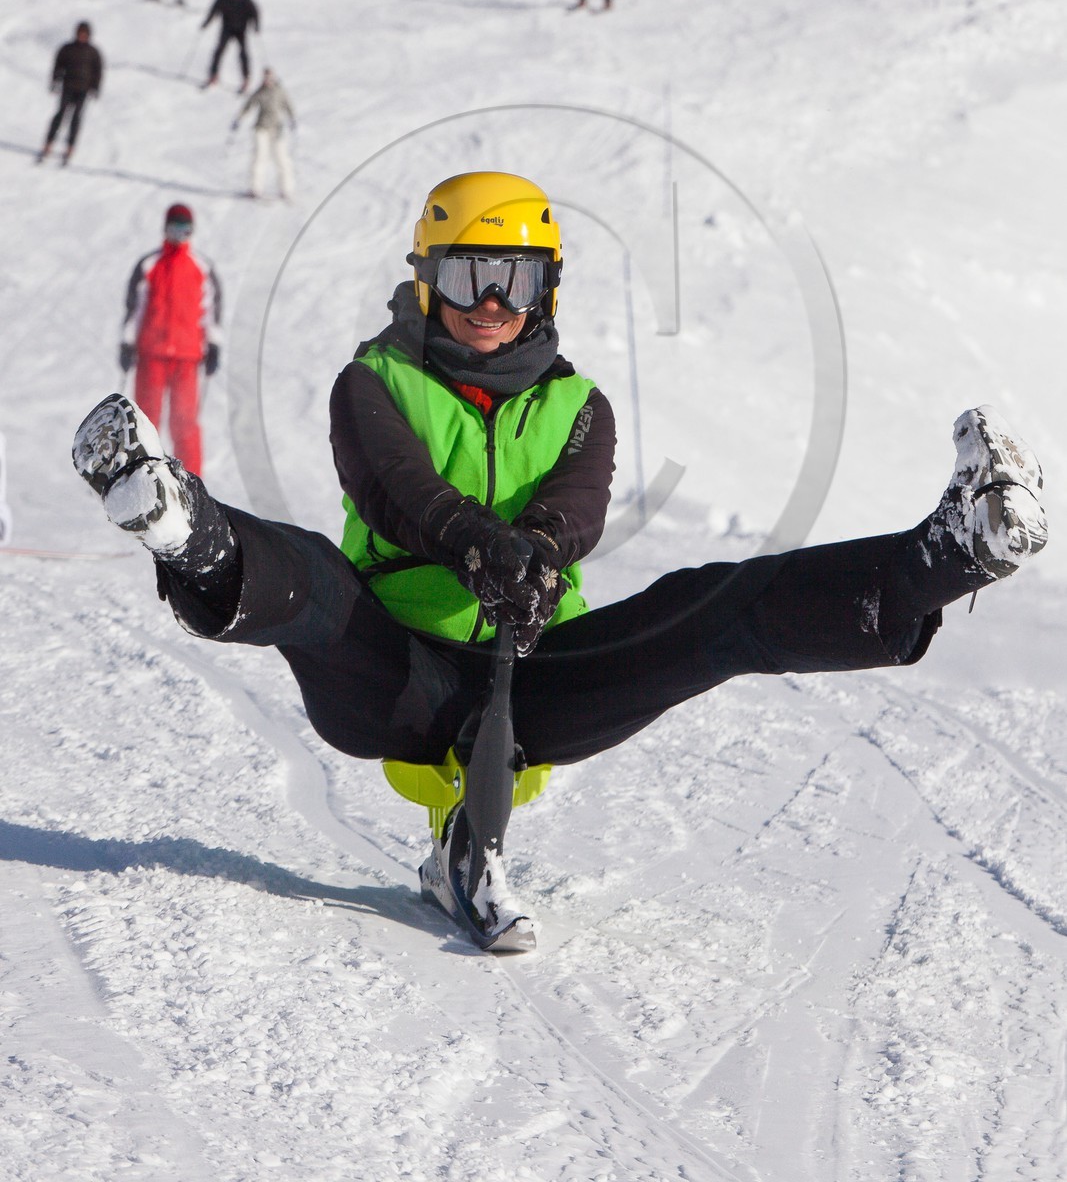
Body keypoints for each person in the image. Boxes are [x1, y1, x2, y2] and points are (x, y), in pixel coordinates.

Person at [71, 172, 1049, 949]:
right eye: (468, 277)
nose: (492, 302)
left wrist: (533, 555)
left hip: (536, 678)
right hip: (394, 673)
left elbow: (575, 510)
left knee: (707, 609)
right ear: (427, 279)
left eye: (518, 279)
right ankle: (187, 528)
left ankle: (948, 551)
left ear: (547, 289)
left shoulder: (579, 406)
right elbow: (393, 486)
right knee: (317, 581)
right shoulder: (372, 381)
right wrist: (475, 544)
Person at [116, 203, 222, 478]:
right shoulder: (150, 265)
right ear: (165, 229)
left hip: (187, 357)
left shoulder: (201, 267)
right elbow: (135, 307)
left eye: (184, 230)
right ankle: (137, 476)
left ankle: (191, 480)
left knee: (184, 421)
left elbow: (210, 310)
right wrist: (127, 342)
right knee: (144, 420)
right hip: (151, 354)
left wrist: (213, 344)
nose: (179, 236)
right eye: (174, 229)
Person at [36, 21, 103, 166]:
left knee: (76, 119)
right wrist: (55, 80)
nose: (82, 36)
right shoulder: (67, 49)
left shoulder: (93, 52)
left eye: (85, 34)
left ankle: (70, 148)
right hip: (68, 87)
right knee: (60, 115)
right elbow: (58, 65)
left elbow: (97, 71)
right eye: (80, 33)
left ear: (89, 35)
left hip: (83, 89)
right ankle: (48, 144)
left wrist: (95, 87)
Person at [231, 67, 296, 200]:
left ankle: (286, 189)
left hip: (277, 130)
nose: (267, 80)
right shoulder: (260, 92)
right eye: (265, 78)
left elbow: (288, 105)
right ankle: (255, 188)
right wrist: (238, 119)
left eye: (269, 77)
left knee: (282, 159)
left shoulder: (279, 91)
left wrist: (292, 119)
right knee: (260, 157)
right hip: (261, 128)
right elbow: (248, 106)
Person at [200, 0, 259, 91]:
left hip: (241, 30)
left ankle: (246, 78)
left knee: (243, 54)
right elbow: (214, 10)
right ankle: (213, 75)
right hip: (227, 29)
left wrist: (256, 25)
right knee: (219, 51)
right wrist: (206, 23)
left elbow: (254, 12)